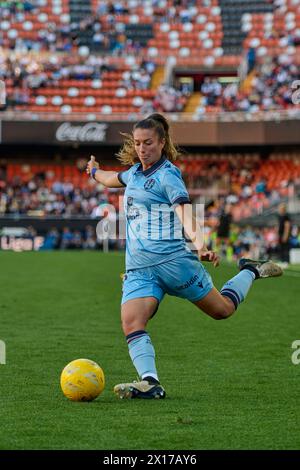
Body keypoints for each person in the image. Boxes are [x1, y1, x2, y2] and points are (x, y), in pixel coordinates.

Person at [86, 113, 283, 400]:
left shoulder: (168, 175)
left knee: (222, 310)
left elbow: (185, 213)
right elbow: (109, 178)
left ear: (162, 142)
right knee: (131, 322)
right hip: (140, 270)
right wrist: (93, 171)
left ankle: (250, 271)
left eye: (148, 143)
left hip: (174, 264)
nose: (142, 149)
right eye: (138, 143)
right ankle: (151, 382)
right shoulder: (134, 174)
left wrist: (200, 244)